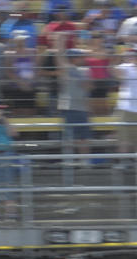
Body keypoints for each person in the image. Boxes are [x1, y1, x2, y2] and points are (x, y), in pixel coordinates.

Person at [55, 35, 93, 165]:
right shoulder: (66, 69)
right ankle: (69, 161)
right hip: (69, 108)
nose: (82, 59)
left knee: (84, 137)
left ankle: (84, 161)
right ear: (73, 58)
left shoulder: (85, 70)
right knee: (70, 137)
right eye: (79, 56)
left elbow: (88, 87)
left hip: (81, 107)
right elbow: (59, 58)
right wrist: (59, 42)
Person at [113, 40, 137, 160]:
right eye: (135, 53)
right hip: (126, 108)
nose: (136, 56)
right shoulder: (126, 66)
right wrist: (118, 58)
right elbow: (116, 74)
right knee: (124, 140)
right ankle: (122, 165)